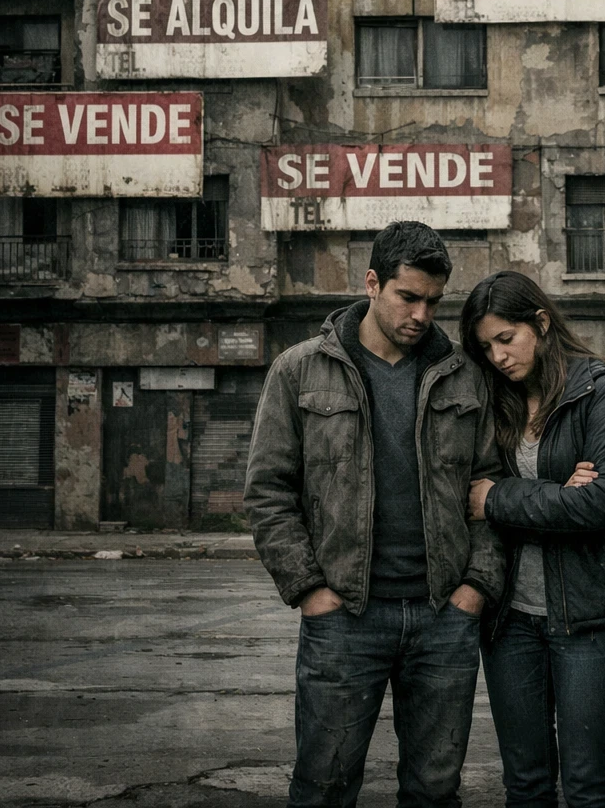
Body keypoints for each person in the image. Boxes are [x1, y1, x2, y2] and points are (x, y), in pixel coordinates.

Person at [244, 220, 505, 808]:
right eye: (407, 297)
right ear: (371, 283)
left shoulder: (464, 375)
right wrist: (310, 590)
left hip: (443, 616)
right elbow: (268, 492)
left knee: (435, 790)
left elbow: (491, 486)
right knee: (323, 787)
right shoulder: (300, 370)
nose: (421, 314)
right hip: (344, 618)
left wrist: (476, 589)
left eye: (433, 302)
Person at [460, 271, 605, 808]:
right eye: (486, 347)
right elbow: (464, 491)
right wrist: (555, 496)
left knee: (588, 785)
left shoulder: (603, 395)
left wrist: (500, 498)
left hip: (592, 618)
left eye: (506, 338)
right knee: (525, 784)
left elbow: (598, 505)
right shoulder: (495, 403)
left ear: (541, 323)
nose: (498, 357)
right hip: (510, 620)